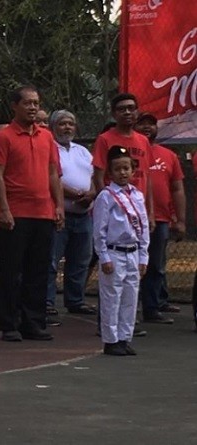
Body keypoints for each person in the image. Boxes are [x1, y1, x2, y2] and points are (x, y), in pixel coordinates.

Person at [0, 85, 64, 342]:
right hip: (16, 213)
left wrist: (59, 205)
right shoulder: (3, 137)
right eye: (27, 103)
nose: (33, 107)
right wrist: (4, 209)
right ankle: (10, 324)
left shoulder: (47, 137)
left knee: (38, 270)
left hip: (43, 212)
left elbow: (53, 173)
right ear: (15, 106)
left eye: (36, 103)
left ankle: (33, 323)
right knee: (11, 271)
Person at [93, 146, 149, 356]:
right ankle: (111, 339)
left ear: (133, 170)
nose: (123, 173)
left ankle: (125, 337)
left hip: (133, 252)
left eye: (126, 168)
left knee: (130, 297)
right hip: (114, 252)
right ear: (110, 172)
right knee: (112, 297)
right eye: (117, 169)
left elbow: (143, 227)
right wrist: (104, 256)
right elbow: (99, 230)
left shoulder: (138, 195)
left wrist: (143, 256)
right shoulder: (106, 196)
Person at [46, 110, 97, 318]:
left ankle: (75, 300)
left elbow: (94, 176)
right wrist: (74, 194)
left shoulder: (82, 151)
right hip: (60, 215)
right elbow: (50, 177)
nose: (67, 127)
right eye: (62, 124)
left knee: (80, 260)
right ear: (52, 127)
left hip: (84, 216)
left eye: (71, 124)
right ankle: (47, 302)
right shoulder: (50, 148)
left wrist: (91, 193)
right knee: (51, 260)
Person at [135, 112, 185, 324]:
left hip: (161, 219)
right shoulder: (131, 152)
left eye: (151, 124)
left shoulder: (169, 155)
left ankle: (152, 308)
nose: (147, 127)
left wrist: (180, 220)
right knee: (131, 265)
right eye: (142, 123)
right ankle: (127, 311)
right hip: (132, 218)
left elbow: (177, 189)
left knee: (156, 265)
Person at [92, 93, 154, 223]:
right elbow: (98, 178)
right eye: (121, 109)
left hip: (138, 206)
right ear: (114, 114)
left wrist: (150, 212)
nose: (127, 112)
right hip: (115, 209)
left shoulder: (143, 141)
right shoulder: (104, 139)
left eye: (131, 108)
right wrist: (107, 205)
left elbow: (147, 178)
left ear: (137, 112)